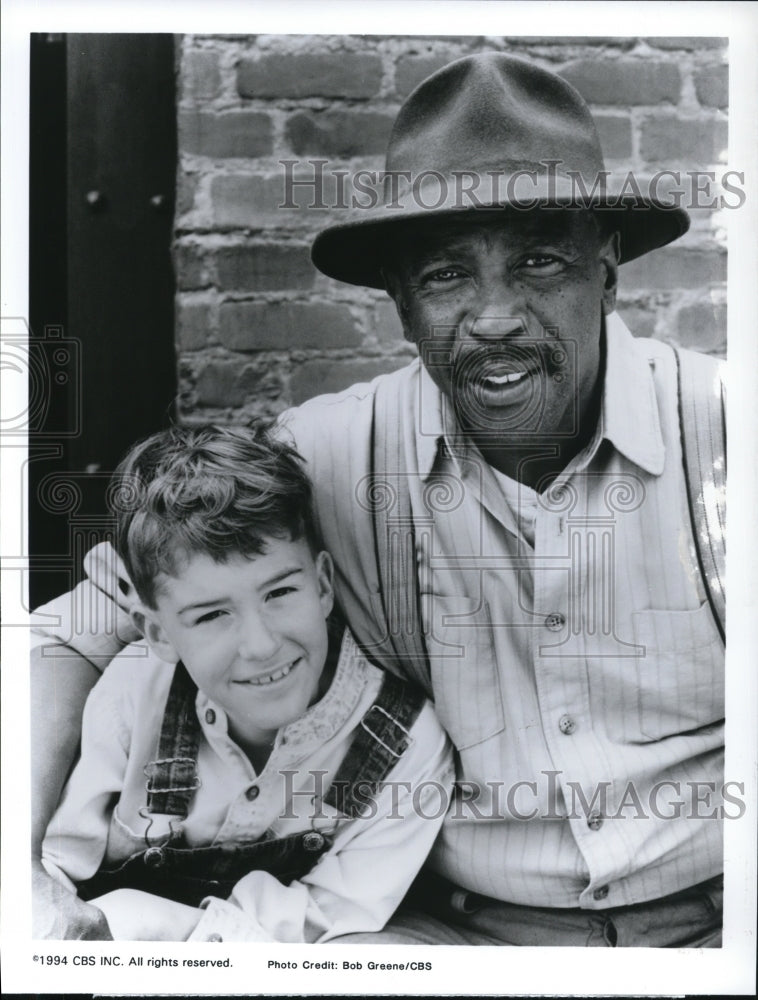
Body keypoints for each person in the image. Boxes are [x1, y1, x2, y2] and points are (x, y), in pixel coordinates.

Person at [31, 52, 726, 946]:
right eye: (444, 277)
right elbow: (81, 624)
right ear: (400, 306)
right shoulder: (328, 456)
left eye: (540, 262)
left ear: (609, 272)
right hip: (439, 934)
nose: (494, 317)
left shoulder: (723, 439)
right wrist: (20, 870)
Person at [36, 423, 453, 941]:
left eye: (279, 593)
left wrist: (159, 923)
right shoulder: (130, 697)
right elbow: (50, 872)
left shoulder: (406, 745)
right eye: (212, 616)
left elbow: (327, 921)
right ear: (157, 632)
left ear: (323, 586)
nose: (260, 645)